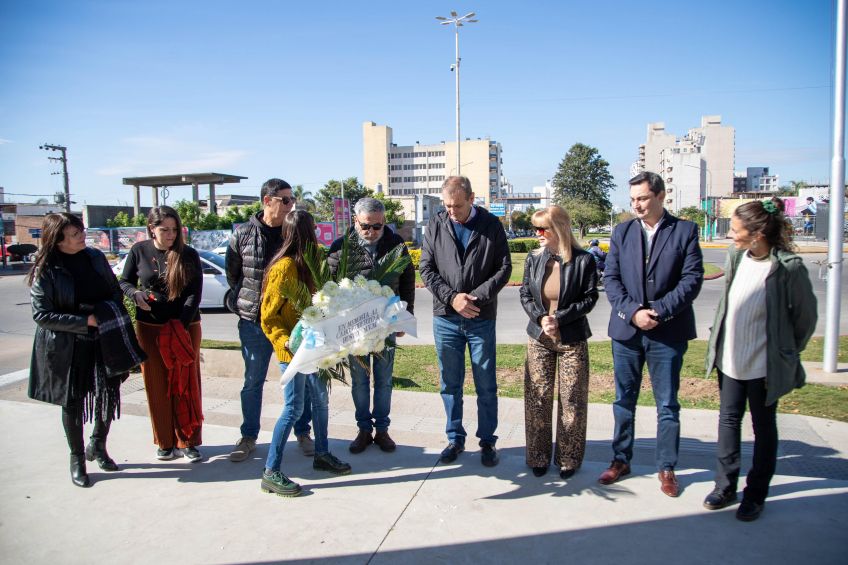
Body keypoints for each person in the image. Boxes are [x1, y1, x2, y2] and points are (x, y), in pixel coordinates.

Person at [703, 198, 816, 521]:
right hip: (730, 359)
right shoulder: (737, 257)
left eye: (736, 231)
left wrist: (785, 352)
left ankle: (755, 494)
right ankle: (724, 486)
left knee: (763, 429)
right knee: (728, 421)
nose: (731, 237)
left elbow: (805, 318)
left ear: (757, 234)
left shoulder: (788, 268)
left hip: (763, 365)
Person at [600, 171, 704, 497]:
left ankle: (667, 467)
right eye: (632, 200)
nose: (637, 206)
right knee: (623, 401)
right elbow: (612, 279)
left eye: (643, 198)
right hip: (627, 333)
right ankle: (621, 459)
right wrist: (633, 313)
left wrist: (656, 312)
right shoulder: (622, 232)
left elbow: (691, 280)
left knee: (667, 404)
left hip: (668, 332)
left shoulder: (685, 230)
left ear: (660, 196)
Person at [419, 176, 512, 467]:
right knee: (450, 383)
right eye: (447, 205)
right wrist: (453, 299)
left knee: (486, 384)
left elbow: (504, 268)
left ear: (471, 198)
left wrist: (473, 299)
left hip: (481, 317)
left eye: (457, 205)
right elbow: (426, 267)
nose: (452, 211)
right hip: (446, 318)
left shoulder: (491, 225)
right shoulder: (436, 224)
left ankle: (487, 442)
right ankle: (454, 439)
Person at [28, 214, 126, 487]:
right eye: (75, 234)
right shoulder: (46, 268)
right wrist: (86, 321)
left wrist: (105, 311)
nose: (83, 237)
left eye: (82, 231)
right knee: (72, 402)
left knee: (107, 395)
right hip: (67, 347)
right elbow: (42, 315)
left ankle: (98, 445)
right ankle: (77, 459)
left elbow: (115, 291)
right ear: (58, 240)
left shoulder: (95, 257)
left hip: (103, 339)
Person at [260, 210, 352, 497]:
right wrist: (286, 341)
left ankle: (322, 455)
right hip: (292, 352)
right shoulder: (283, 267)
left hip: (316, 347)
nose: (317, 232)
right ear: (304, 233)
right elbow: (267, 316)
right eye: (312, 228)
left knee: (321, 401)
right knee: (294, 409)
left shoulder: (314, 263)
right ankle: (270, 472)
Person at [226, 179, 314, 462]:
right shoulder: (242, 234)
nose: (292, 205)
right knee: (253, 380)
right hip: (253, 321)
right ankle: (249, 436)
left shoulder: (293, 232)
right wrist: (249, 304)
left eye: (293, 200)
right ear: (267, 201)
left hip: (291, 325)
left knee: (301, 379)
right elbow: (234, 275)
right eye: (286, 200)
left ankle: (303, 431)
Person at [326, 197, 416, 454]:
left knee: (384, 380)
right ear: (356, 221)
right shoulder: (340, 247)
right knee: (359, 380)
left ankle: (383, 430)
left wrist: (405, 316)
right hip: (354, 330)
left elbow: (408, 280)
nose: (372, 232)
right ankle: (364, 429)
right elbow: (330, 288)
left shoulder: (395, 244)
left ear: (384, 221)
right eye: (366, 226)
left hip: (387, 325)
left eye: (377, 226)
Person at [519, 206, 598, 480]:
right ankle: (537, 456)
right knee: (537, 399)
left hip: (571, 339)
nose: (537, 234)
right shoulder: (533, 258)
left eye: (542, 229)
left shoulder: (584, 260)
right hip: (539, 338)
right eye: (535, 228)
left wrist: (560, 319)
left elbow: (589, 298)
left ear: (559, 230)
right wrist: (541, 318)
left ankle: (568, 458)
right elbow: (526, 294)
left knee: (572, 400)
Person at [120, 206, 205, 462]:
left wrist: (179, 325)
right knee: (156, 384)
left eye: (175, 229)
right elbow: (124, 282)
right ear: (151, 229)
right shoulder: (138, 251)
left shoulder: (188, 254)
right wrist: (134, 295)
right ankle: (165, 442)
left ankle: (188, 440)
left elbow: (194, 294)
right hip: (150, 328)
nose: (171, 234)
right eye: (164, 229)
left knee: (186, 382)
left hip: (185, 326)